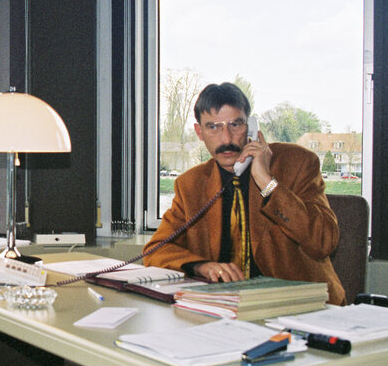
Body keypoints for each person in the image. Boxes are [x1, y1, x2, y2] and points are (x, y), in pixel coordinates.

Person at [143, 82, 345, 305]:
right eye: (214, 127)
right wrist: (201, 266)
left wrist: (267, 182)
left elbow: (323, 242)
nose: (226, 139)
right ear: (199, 132)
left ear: (250, 126)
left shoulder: (297, 163)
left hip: (298, 306)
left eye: (235, 124)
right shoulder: (191, 184)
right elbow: (156, 250)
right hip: (228, 309)